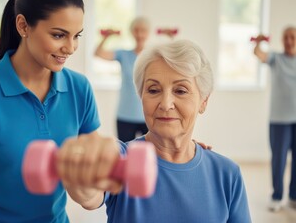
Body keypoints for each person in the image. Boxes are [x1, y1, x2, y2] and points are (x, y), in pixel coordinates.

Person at [0, 0, 122, 222]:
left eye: (77, 36)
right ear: (23, 25)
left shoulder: (79, 88)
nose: (71, 47)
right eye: (58, 34)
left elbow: (96, 171)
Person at [60, 39, 251, 222]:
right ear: (141, 96)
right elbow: (89, 195)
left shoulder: (227, 174)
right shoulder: (122, 158)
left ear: (204, 101)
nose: (166, 104)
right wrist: (81, 177)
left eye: (180, 90)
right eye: (153, 90)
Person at [253, 26, 296, 212]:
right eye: (286, 37)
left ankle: (294, 197)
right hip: (279, 119)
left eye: (293, 37)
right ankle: (277, 196)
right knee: (278, 159)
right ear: (282, 39)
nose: (289, 40)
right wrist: (258, 41)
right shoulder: (276, 59)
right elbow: (258, 53)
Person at [94, 17, 150, 142]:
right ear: (132, 32)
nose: (140, 34)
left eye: (143, 30)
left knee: (151, 155)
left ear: (148, 33)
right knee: (125, 154)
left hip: (148, 116)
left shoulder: (152, 56)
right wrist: (106, 37)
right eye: (136, 30)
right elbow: (98, 53)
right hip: (125, 115)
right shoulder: (123, 54)